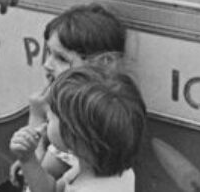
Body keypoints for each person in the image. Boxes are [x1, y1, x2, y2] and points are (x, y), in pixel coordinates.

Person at [12, 3, 127, 189]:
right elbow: (41, 175)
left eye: (62, 58)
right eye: (48, 52)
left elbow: (37, 183)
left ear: (105, 63)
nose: (47, 65)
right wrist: (29, 160)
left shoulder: (90, 124)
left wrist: (36, 117)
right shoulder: (67, 104)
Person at [10, 64, 147, 192]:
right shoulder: (111, 171)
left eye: (53, 114)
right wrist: (28, 159)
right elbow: (51, 190)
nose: (47, 117)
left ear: (76, 139)